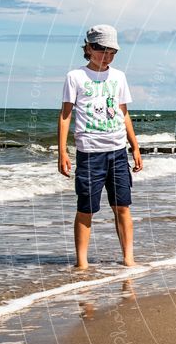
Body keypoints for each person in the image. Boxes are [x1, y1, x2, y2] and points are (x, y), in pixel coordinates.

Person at [57, 24, 143, 269]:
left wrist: (135, 147)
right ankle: (82, 263)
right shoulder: (75, 77)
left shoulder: (119, 77)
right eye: (102, 50)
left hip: (117, 152)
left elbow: (123, 113)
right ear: (89, 48)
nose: (106, 57)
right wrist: (62, 151)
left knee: (122, 207)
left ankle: (128, 258)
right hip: (89, 153)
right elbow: (65, 116)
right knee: (86, 209)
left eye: (112, 52)